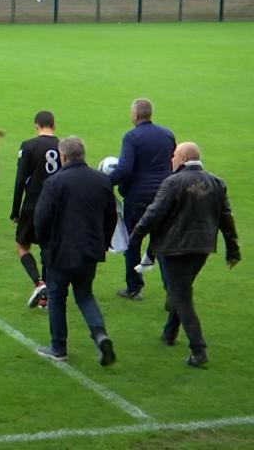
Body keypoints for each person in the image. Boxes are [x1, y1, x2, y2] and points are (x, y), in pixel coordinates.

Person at [128, 142, 240, 368]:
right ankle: (170, 333)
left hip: (174, 247)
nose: (171, 159)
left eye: (174, 156)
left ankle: (198, 350)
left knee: (180, 297)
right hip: (202, 248)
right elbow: (225, 217)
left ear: (182, 158)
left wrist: (135, 237)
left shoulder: (173, 182)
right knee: (181, 290)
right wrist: (232, 248)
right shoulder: (216, 182)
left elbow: (154, 213)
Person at [33, 136, 117, 366]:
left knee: (57, 296)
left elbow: (41, 218)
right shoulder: (101, 181)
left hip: (61, 251)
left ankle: (58, 347)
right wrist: (104, 243)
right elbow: (111, 216)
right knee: (85, 294)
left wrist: (45, 244)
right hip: (90, 249)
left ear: (63, 156)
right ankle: (100, 335)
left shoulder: (55, 182)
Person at [108, 98, 176, 300]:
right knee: (162, 243)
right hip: (164, 196)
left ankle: (134, 287)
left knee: (133, 242)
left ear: (136, 115)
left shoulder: (132, 137)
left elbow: (124, 169)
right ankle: (171, 290)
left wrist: (104, 182)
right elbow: (174, 162)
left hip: (138, 198)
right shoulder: (167, 134)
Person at [10, 110, 61, 309]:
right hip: (57, 206)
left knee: (22, 245)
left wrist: (15, 210)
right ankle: (46, 296)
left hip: (33, 204)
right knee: (48, 248)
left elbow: (20, 180)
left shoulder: (28, 146)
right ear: (53, 126)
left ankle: (39, 283)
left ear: (36, 126)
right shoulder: (63, 146)